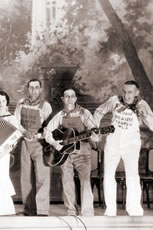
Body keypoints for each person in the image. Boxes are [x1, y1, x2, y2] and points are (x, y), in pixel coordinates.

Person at [93, 80, 153, 216]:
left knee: (132, 176)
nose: (126, 95)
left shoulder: (142, 105)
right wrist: (95, 128)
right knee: (108, 176)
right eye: (124, 91)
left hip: (131, 145)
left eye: (130, 92)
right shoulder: (114, 100)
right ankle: (110, 210)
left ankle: (134, 209)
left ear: (137, 92)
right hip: (112, 143)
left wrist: (145, 115)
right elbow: (99, 111)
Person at [44, 88, 98, 216]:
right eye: (66, 96)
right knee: (67, 181)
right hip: (65, 154)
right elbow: (47, 131)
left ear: (75, 99)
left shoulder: (85, 113)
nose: (69, 99)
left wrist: (94, 135)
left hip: (83, 153)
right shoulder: (60, 115)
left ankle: (87, 212)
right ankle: (71, 211)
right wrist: (54, 143)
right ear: (63, 99)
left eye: (72, 96)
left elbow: (96, 135)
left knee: (85, 181)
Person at [14, 79, 52, 216]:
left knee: (42, 177)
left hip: (40, 144)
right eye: (31, 88)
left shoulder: (46, 106)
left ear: (40, 89)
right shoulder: (21, 103)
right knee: (26, 177)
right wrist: (24, 132)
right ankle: (29, 209)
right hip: (25, 142)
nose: (34, 90)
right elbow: (15, 121)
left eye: (36, 88)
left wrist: (38, 134)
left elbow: (49, 128)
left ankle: (42, 210)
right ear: (27, 89)